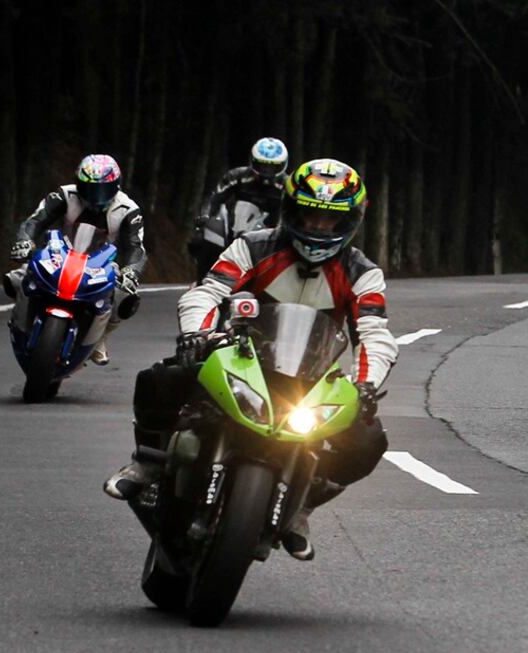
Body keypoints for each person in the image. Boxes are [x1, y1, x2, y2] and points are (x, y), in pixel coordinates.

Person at [105, 158, 398, 562]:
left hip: (311, 378)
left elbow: (374, 333)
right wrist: (197, 334)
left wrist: (366, 383)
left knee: (368, 439)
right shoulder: (253, 245)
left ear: (351, 222)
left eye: (330, 221)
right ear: (291, 210)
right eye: (310, 215)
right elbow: (207, 291)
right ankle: (148, 462)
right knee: (164, 376)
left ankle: (303, 507)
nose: (317, 228)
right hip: (239, 356)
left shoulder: (363, 273)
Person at [5, 154, 146, 365]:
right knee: (16, 279)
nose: (95, 196)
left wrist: (131, 271)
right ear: (79, 183)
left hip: (101, 264)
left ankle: (100, 337)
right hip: (58, 254)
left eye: (102, 190)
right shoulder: (64, 194)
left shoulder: (128, 210)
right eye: (89, 188)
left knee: (126, 298)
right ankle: (21, 321)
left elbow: (136, 248)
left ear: (116, 186)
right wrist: (25, 241)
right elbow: (35, 221)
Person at [189, 137, 289, 279]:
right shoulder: (236, 176)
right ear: (253, 162)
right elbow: (215, 197)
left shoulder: (287, 186)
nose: (267, 171)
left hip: (270, 231)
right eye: (263, 166)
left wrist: (283, 230)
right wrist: (205, 217)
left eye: (273, 167)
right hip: (233, 227)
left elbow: (291, 211)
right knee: (203, 238)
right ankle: (202, 279)